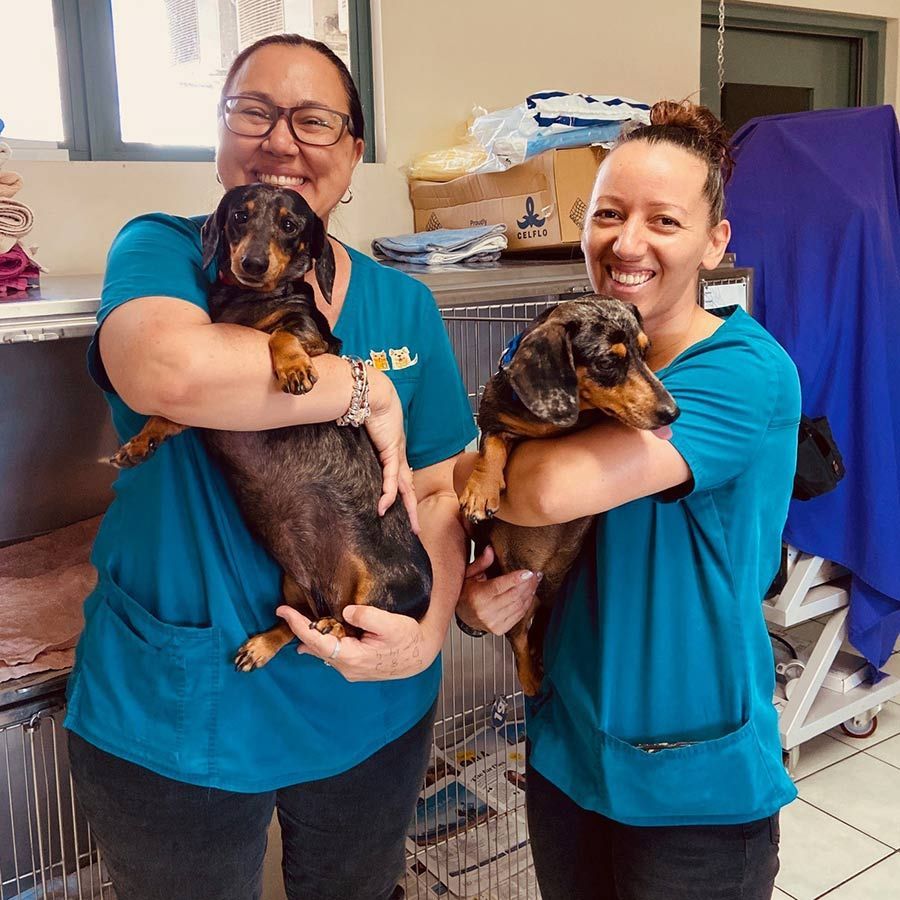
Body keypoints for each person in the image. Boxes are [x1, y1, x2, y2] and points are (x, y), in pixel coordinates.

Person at [65, 34, 476, 900]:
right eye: (253, 110)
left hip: (372, 702)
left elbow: (439, 489)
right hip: (182, 706)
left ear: (355, 152)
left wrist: (430, 631)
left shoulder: (405, 298)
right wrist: (361, 386)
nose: (280, 140)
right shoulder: (163, 251)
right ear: (220, 136)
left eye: (314, 121)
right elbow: (169, 372)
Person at [455, 100, 800, 899]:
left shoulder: (742, 372)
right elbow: (504, 530)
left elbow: (539, 488)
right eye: (608, 214)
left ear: (716, 243)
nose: (627, 242)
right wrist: (483, 604)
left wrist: (482, 463)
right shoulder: (571, 359)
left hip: (693, 786)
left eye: (664, 221)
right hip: (569, 753)